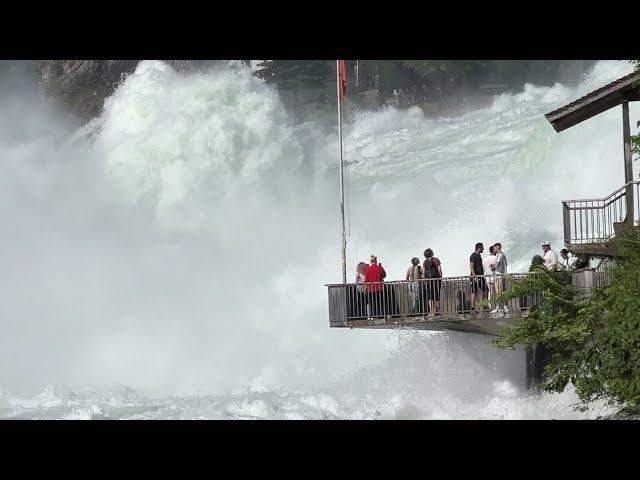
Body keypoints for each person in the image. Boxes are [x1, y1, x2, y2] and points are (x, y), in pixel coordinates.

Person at [422, 248, 442, 316]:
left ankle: (431, 312)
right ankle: (436, 311)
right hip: (436, 280)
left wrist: (424, 279)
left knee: (430, 296)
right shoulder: (436, 260)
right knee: (436, 295)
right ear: (431, 253)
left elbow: (424, 272)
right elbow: (439, 270)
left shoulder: (425, 262)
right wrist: (440, 277)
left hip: (428, 280)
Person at [469, 242, 486, 312]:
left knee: (484, 290)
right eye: (482, 247)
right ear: (479, 248)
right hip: (476, 277)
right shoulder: (473, 256)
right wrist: (474, 276)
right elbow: (471, 266)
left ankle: (482, 306)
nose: (483, 249)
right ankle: (474, 307)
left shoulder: (478, 255)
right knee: (474, 292)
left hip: (480, 276)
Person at [492, 242, 509, 314]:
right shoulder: (503, 255)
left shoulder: (499, 255)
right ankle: (503, 306)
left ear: (497, 248)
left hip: (499, 276)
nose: (493, 249)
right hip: (502, 275)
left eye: (494, 248)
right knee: (502, 292)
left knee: (499, 292)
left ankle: (500, 307)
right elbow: (506, 264)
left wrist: (493, 267)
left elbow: (497, 265)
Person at [482, 245, 497, 311]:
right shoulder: (496, 258)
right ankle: (498, 307)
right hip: (495, 277)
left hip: (487, 278)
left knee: (490, 293)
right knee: (498, 293)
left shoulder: (485, 259)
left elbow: (483, 269)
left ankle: (490, 307)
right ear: (493, 250)